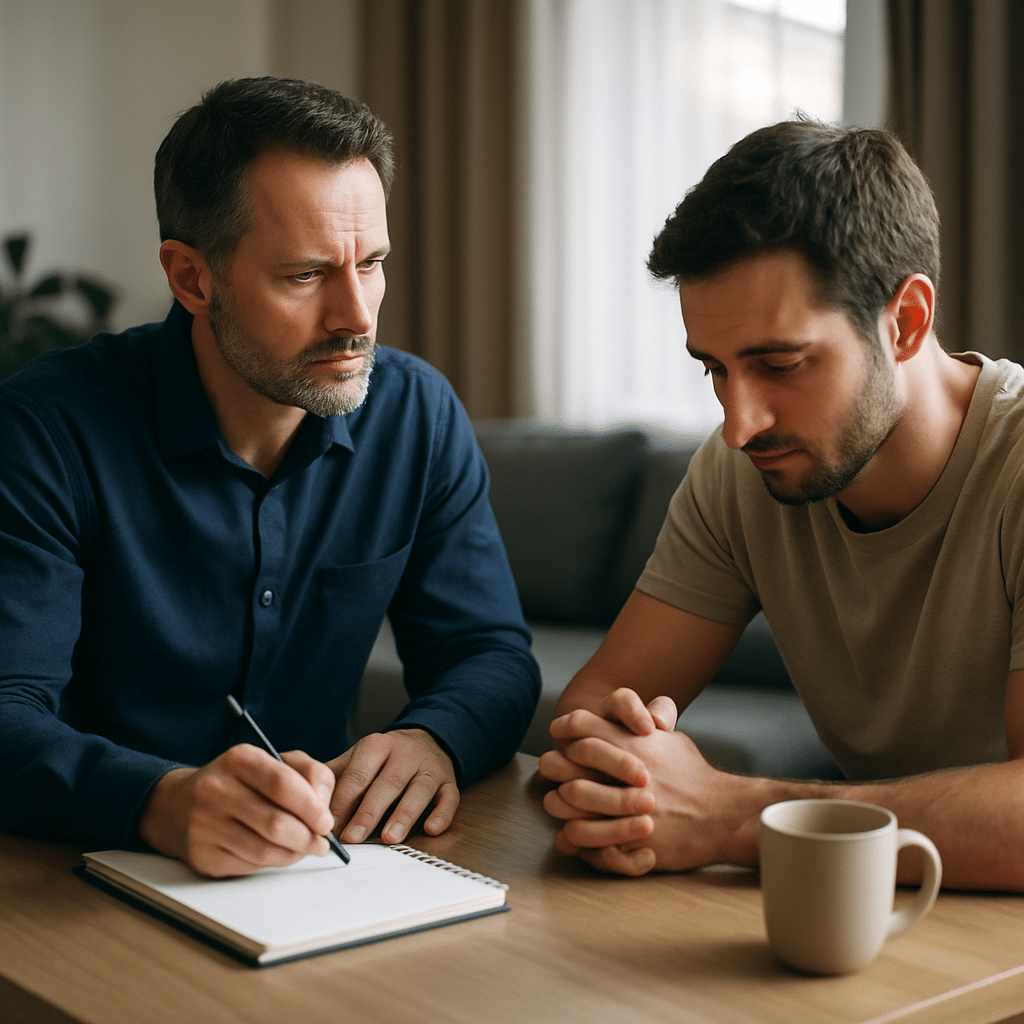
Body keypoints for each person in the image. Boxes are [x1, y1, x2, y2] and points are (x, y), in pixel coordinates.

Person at [0, 77, 539, 878]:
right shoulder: (45, 428)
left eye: (375, 263)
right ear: (191, 279)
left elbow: (490, 652)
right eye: (307, 274)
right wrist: (159, 798)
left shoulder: (416, 413)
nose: (357, 315)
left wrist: (436, 735)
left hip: (317, 873)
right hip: (74, 868)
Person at [537, 117, 1024, 892]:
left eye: (781, 364)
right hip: (883, 908)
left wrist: (733, 814)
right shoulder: (740, 475)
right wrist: (622, 772)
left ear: (906, 321)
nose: (739, 424)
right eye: (715, 371)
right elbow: (595, 708)